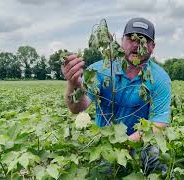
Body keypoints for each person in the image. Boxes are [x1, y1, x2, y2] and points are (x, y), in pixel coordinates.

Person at [61, 17, 171, 175]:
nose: (136, 44)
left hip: (140, 143)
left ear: (152, 46)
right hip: (105, 143)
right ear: (121, 41)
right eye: (131, 38)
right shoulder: (99, 70)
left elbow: (158, 124)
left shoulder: (160, 78)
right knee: (102, 172)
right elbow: (77, 108)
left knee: (156, 158)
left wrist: (123, 144)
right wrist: (73, 83)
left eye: (143, 40)